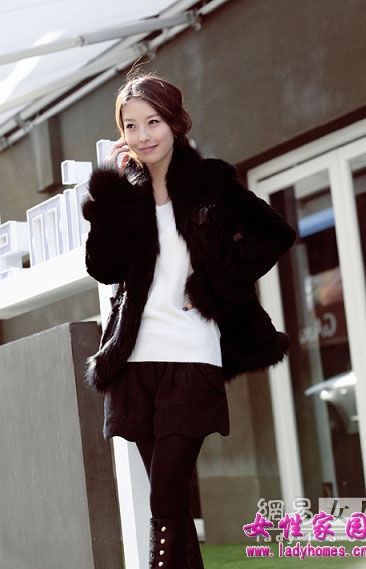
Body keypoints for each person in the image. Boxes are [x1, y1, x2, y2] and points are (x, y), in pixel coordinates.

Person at [82, 72, 296, 569]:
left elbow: (275, 234)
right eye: (131, 125)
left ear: (175, 122)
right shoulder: (128, 194)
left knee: (164, 498)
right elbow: (103, 268)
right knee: (173, 506)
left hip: (192, 358)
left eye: (153, 121)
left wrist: (215, 287)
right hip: (135, 362)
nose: (142, 136)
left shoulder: (211, 183)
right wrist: (109, 194)